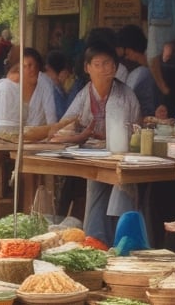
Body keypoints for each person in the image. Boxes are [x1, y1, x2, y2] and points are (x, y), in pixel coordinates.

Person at [51, 42, 141, 245]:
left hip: (120, 156)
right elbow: (64, 127)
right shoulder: (84, 94)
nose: (103, 69)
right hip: (91, 158)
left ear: (115, 68)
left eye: (107, 64)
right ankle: (96, 242)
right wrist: (81, 136)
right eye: (97, 64)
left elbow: (136, 129)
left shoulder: (126, 95)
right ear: (87, 68)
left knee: (121, 190)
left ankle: (120, 243)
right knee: (95, 194)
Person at [0, 48, 56, 131]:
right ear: (19, 69)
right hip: (3, 136)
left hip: (36, 137)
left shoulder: (44, 84)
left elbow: (51, 117)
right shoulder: (6, 86)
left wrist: (51, 132)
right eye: (26, 66)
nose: (32, 70)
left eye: (34, 65)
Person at [117, 24, 162, 117]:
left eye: (127, 54)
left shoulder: (142, 72)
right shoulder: (138, 71)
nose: (127, 58)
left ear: (132, 49)